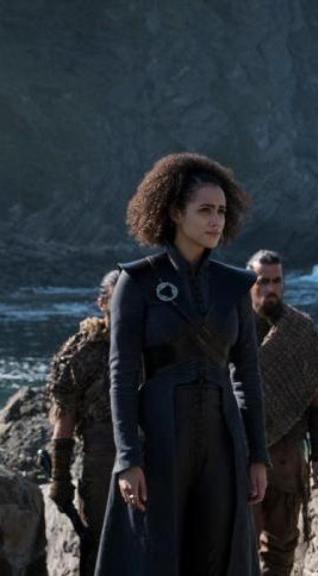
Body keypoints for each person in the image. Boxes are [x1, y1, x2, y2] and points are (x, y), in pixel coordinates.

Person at [95, 152, 270, 576]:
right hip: (159, 435)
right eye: (205, 210)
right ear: (175, 212)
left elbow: (246, 373)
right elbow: (121, 375)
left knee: (217, 554)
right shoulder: (136, 283)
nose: (216, 221)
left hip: (221, 437)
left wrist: (257, 456)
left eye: (222, 212)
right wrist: (127, 457)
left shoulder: (235, 286)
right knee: (155, 554)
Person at [247, 249, 318, 576]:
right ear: (249, 283)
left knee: (282, 548)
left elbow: (317, 398)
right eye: (262, 281)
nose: (270, 289)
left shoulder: (298, 329)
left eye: (276, 281)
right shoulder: (233, 327)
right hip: (244, 455)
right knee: (242, 545)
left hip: (287, 457)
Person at [46, 269, 120, 576]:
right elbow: (64, 420)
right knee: (101, 548)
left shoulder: (153, 348)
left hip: (153, 460)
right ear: (102, 302)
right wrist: (60, 477)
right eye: (120, 298)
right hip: (102, 462)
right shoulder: (82, 351)